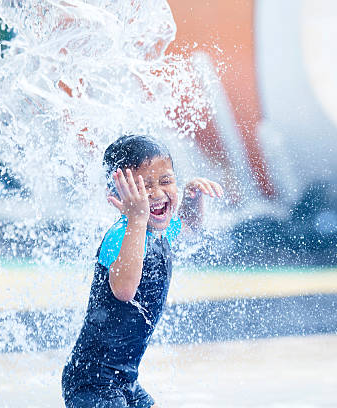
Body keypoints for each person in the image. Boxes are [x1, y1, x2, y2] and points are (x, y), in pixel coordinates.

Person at [62, 134, 223, 408]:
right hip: (92, 380)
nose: (158, 193)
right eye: (143, 187)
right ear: (118, 195)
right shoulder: (121, 235)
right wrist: (137, 217)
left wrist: (193, 198)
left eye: (166, 181)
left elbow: (192, 229)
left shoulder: (156, 231)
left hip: (124, 379)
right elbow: (124, 291)